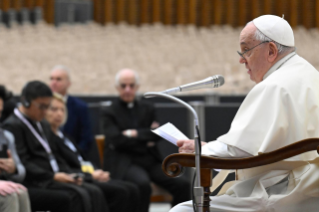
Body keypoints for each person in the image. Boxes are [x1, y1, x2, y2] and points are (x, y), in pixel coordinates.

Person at [170, 15, 319, 212]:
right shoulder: (309, 74)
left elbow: (240, 152)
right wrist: (208, 148)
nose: (241, 59)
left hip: (283, 193)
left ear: (271, 51)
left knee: (181, 211)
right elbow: (257, 146)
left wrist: (200, 152)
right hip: (309, 186)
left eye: (246, 49)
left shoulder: (274, 86)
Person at [3, 81, 109, 212]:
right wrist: (52, 176)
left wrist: (70, 175)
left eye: (47, 106)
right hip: (37, 180)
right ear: (26, 102)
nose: (45, 111)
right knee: (74, 196)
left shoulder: (43, 123)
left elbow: (55, 155)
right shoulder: (13, 126)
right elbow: (24, 162)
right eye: (42, 106)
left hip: (52, 176)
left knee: (92, 191)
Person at [101, 69, 191, 212]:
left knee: (183, 184)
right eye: (123, 86)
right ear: (117, 88)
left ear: (137, 87)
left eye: (131, 85)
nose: (128, 89)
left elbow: (156, 134)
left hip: (149, 159)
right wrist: (145, 136)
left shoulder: (147, 108)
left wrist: (132, 134)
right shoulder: (109, 111)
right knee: (142, 184)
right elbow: (116, 140)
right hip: (125, 162)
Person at [46, 92, 140, 212]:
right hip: (79, 177)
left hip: (89, 172)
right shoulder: (48, 138)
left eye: (62, 110)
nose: (59, 113)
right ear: (44, 111)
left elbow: (83, 160)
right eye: (54, 109)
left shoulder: (65, 136)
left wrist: (97, 171)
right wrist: (91, 176)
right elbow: (65, 167)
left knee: (132, 188)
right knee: (120, 192)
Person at [49, 65, 94, 153]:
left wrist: (74, 156)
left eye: (58, 79)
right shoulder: (43, 105)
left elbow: (86, 138)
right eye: (51, 79)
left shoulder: (80, 107)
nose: (54, 82)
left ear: (68, 83)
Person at [0, 86, 31, 212]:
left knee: (20, 192)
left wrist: (13, 169)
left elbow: (21, 171)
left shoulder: (6, 136)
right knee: (8, 196)